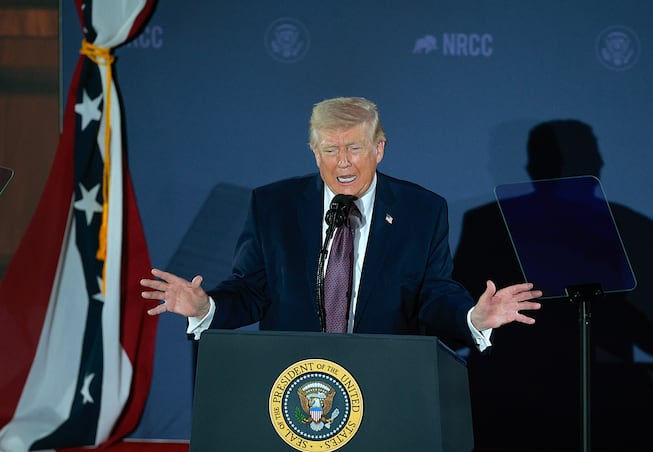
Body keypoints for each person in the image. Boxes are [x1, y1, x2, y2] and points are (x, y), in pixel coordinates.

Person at [140, 96, 541, 350]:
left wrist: (473, 318)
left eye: (354, 148)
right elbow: (251, 290)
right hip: (293, 379)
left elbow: (433, 294)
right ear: (315, 153)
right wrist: (206, 306)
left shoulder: (422, 210)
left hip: (382, 377)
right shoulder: (273, 206)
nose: (343, 162)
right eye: (330, 149)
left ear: (379, 149)